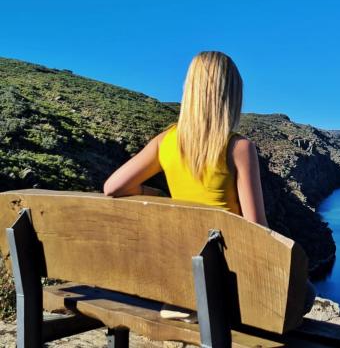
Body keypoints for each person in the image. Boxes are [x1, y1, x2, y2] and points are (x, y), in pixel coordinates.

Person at [103, 51, 315, 318]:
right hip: (227, 277)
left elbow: (112, 187)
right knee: (306, 293)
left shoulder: (165, 142)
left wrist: (155, 193)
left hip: (183, 274)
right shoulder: (238, 147)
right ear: (231, 95)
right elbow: (257, 228)